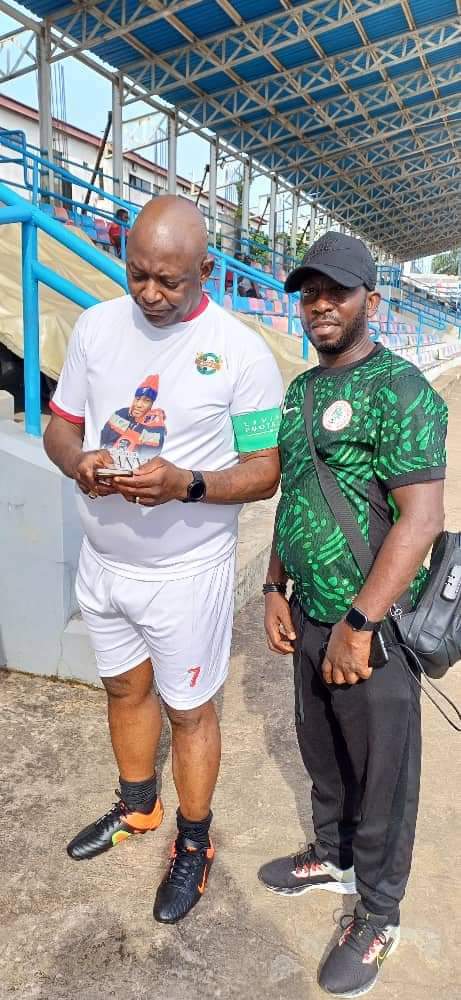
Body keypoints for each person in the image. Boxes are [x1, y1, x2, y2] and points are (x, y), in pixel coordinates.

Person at [44, 194, 283, 925]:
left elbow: (265, 468)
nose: (148, 292)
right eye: (137, 273)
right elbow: (63, 426)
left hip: (185, 575)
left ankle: (193, 840)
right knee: (122, 691)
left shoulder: (241, 353)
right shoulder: (95, 326)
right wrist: (79, 464)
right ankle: (137, 807)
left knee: (190, 710)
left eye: (168, 281)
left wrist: (188, 484)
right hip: (104, 560)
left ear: (205, 270)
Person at [259, 232, 447, 997]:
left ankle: (377, 912)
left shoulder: (398, 388)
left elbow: (420, 518)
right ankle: (333, 857)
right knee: (324, 756)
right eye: (308, 292)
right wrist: (273, 587)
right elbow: (293, 494)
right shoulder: (301, 392)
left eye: (335, 291)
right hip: (307, 615)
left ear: (370, 299)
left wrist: (359, 624)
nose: (320, 305)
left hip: (371, 630)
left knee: (381, 775)